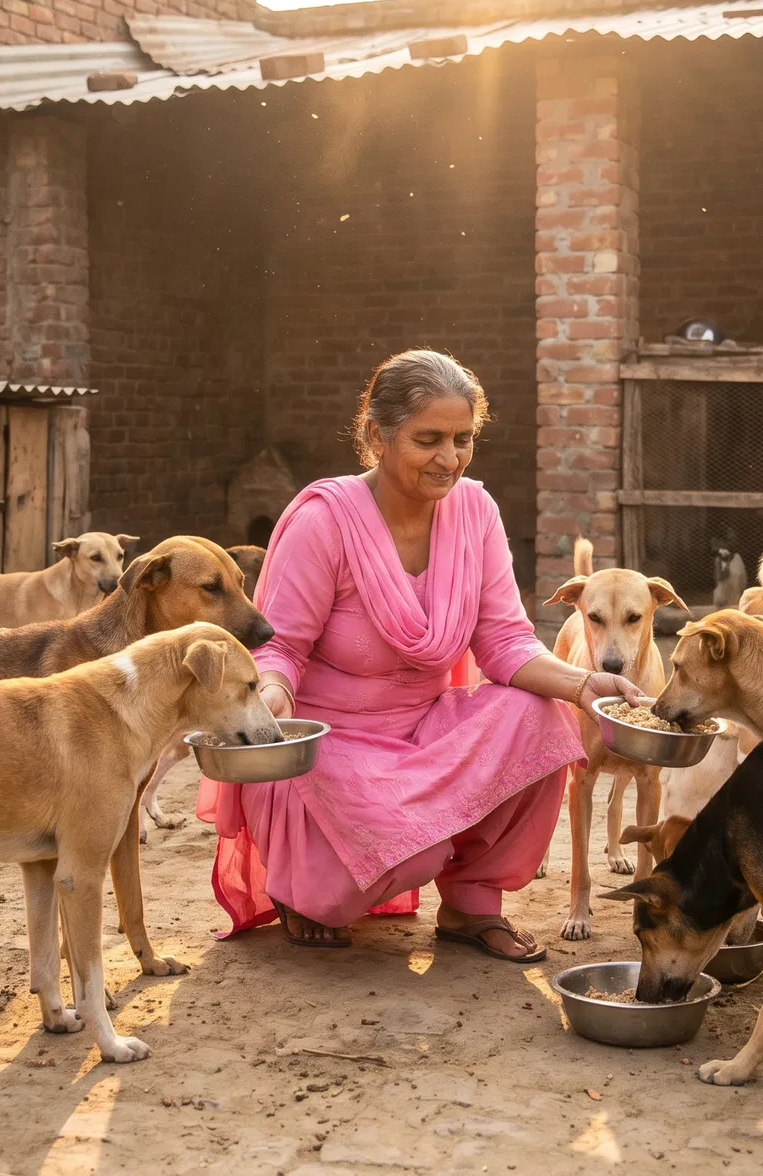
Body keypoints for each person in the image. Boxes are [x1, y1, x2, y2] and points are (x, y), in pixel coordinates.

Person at [199, 350, 644, 961]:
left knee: (542, 717)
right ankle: (305, 892)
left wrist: (582, 683)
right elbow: (280, 649)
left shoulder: (476, 512)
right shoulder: (325, 520)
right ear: (375, 436)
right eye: (428, 439)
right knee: (418, 848)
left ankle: (471, 904)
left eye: (463, 439)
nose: (450, 458)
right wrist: (272, 695)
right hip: (331, 748)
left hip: (426, 731)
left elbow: (505, 641)